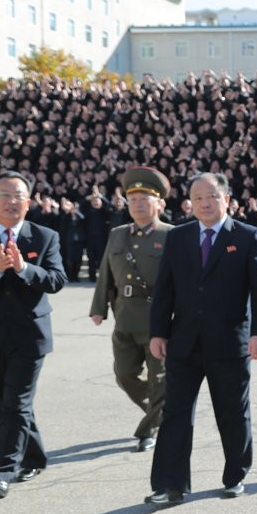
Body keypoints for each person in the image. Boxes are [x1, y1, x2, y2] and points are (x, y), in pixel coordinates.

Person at [145, 172, 257, 505]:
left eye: (212, 196)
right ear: (189, 202)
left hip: (230, 343)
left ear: (227, 200)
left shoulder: (248, 236)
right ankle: (169, 485)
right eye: (198, 197)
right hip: (183, 342)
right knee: (175, 413)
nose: (204, 203)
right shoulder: (179, 237)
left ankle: (235, 475)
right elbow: (165, 289)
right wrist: (158, 331)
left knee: (232, 412)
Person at [0, 171, 67, 500]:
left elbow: (56, 280)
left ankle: (2, 471)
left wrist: (25, 269)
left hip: (30, 335)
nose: (12, 201)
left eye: (19, 195)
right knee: (7, 405)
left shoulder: (45, 236)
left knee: (16, 404)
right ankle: (34, 456)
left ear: (29, 201)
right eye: (4, 194)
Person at [89, 167, 173, 453]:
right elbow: (105, 274)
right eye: (132, 198)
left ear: (159, 203)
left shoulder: (172, 236)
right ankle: (159, 411)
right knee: (124, 374)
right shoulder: (118, 235)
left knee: (159, 379)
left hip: (158, 321)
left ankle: (148, 429)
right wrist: (98, 307)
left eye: (143, 199)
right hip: (124, 317)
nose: (137, 204)